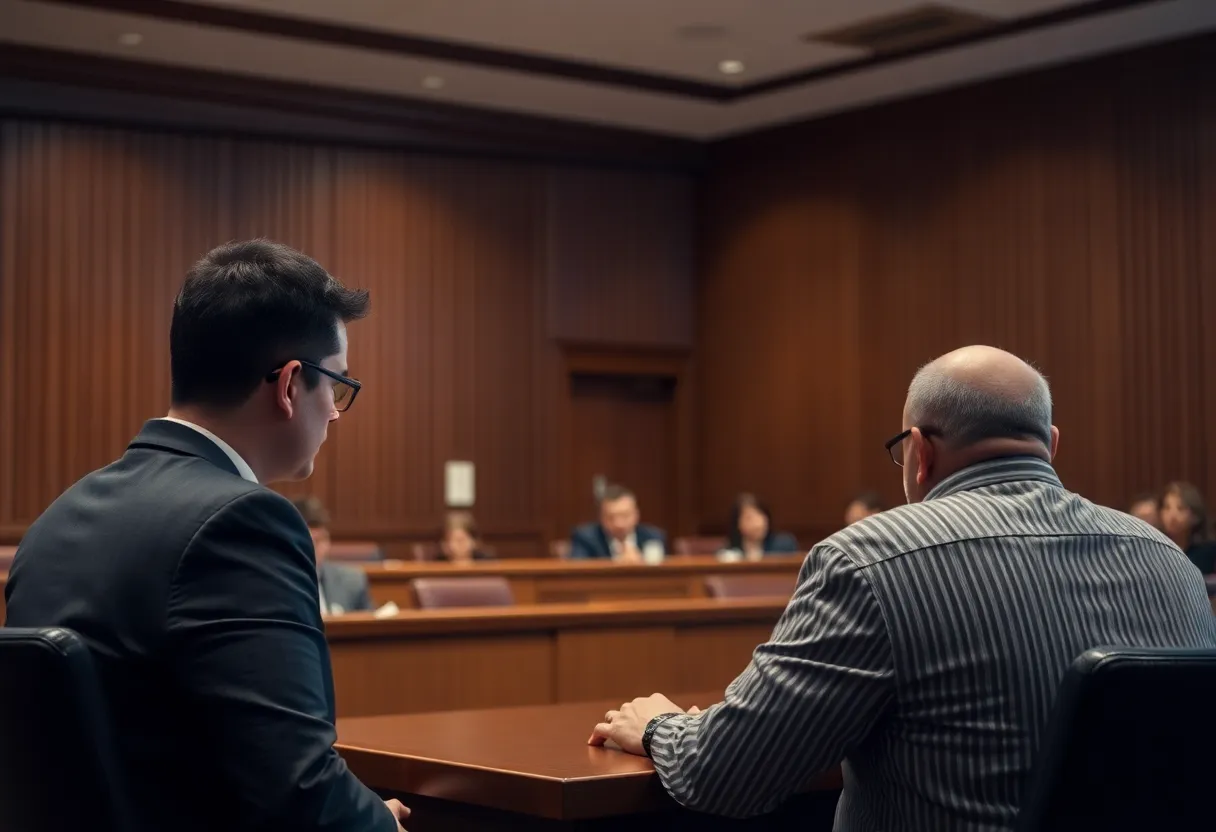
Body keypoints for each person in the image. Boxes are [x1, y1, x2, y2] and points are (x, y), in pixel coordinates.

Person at [589, 345, 1216, 830]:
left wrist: (660, 726)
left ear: (919, 452)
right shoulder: (1173, 565)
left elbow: (729, 776)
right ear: (1050, 445)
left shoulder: (870, 558)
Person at [4, 240, 408, 832]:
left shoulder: (57, 517)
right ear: (291, 385)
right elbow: (297, 794)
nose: (336, 413)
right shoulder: (242, 523)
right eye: (337, 387)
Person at [293, 496, 374, 614]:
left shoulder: (352, 581)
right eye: (307, 541)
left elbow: (371, 627)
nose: (314, 548)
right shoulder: (274, 584)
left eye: (320, 540)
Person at [569, 484, 666, 561]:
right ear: (601, 517)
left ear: (636, 515)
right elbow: (579, 572)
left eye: (625, 516)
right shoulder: (585, 538)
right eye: (611, 517)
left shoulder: (653, 537)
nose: (618, 523)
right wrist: (618, 564)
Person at [1160, 481, 1216, 574]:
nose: (1172, 516)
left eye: (1180, 508)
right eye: (1167, 507)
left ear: (1195, 515)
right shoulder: (1156, 547)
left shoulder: (1208, 550)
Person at [723, 493, 799, 560]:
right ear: (738, 524)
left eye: (761, 515)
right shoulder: (727, 552)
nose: (758, 523)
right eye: (749, 518)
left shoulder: (784, 545)